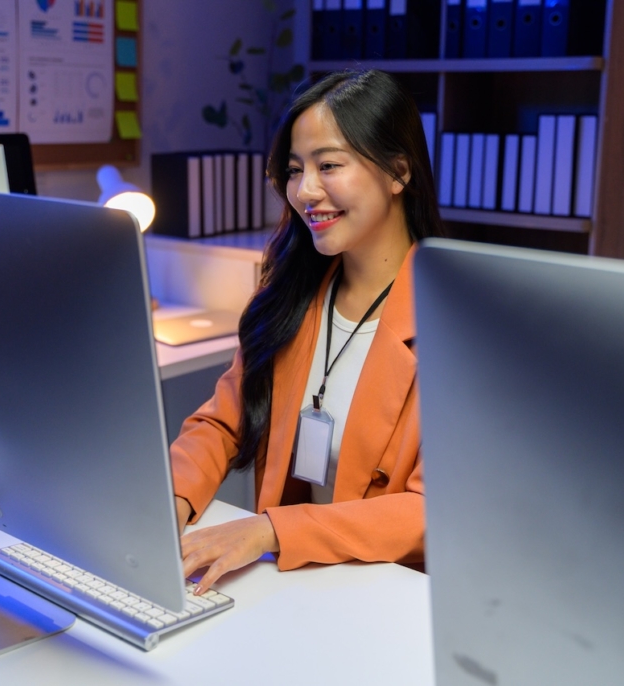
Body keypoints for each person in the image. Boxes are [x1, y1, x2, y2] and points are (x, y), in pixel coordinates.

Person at [171, 69, 444, 594]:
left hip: (386, 596)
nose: (305, 191)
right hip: (293, 586)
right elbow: (222, 423)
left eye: (329, 165)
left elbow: (430, 510)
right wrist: (170, 500)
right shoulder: (290, 297)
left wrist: (271, 531)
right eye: (295, 170)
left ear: (398, 172)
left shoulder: (455, 328)